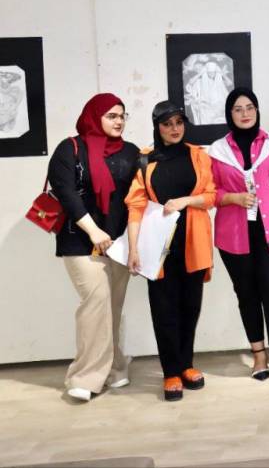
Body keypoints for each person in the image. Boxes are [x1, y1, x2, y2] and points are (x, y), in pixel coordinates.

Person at [48, 94, 139, 402]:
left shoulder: (131, 152)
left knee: (112, 307)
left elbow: (137, 197)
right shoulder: (70, 149)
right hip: (80, 239)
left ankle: (115, 366)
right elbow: (66, 193)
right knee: (96, 302)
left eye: (122, 115)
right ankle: (85, 376)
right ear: (94, 116)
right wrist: (94, 230)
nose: (119, 121)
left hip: (119, 242)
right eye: (111, 115)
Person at [125, 101, 216, 401]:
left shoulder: (198, 155)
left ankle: (186, 364)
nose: (175, 129)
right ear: (157, 127)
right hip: (158, 248)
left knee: (191, 307)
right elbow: (136, 206)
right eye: (167, 124)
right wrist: (133, 249)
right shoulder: (145, 160)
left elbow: (211, 196)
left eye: (179, 122)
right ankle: (171, 372)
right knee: (164, 310)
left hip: (193, 242)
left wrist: (185, 201)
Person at [209, 88, 269, 386]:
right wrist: (232, 198)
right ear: (229, 114)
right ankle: (259, 356)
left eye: (250, 107)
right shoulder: (217, 151)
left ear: (257, 110)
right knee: (247, 296)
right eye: (238, 109)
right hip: (233, 235)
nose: (245, 113)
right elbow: (209, 190)